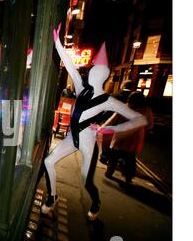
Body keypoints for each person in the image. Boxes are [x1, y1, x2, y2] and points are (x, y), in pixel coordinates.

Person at [41, 23, 147, 220]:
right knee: (48, 161)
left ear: (104, 75)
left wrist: (109, 129)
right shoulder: (82, 88)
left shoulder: (109, 100)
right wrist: (57, 43)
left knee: (85, 179)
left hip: (89, 143)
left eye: (97, 71)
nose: (92, 73)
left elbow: (140, 119)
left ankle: (96, 202)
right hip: (72, 138)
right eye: (92, 70)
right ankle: (52, 196)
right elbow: (71, 66)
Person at [102, 91, 154, 183]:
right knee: (130, 158)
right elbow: (150, 126)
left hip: (121, 136)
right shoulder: (147, 110)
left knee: (114, 156)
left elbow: (112, 120)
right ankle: (128, 177)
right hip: (135, 138)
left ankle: (109, 171)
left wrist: (102, 128)